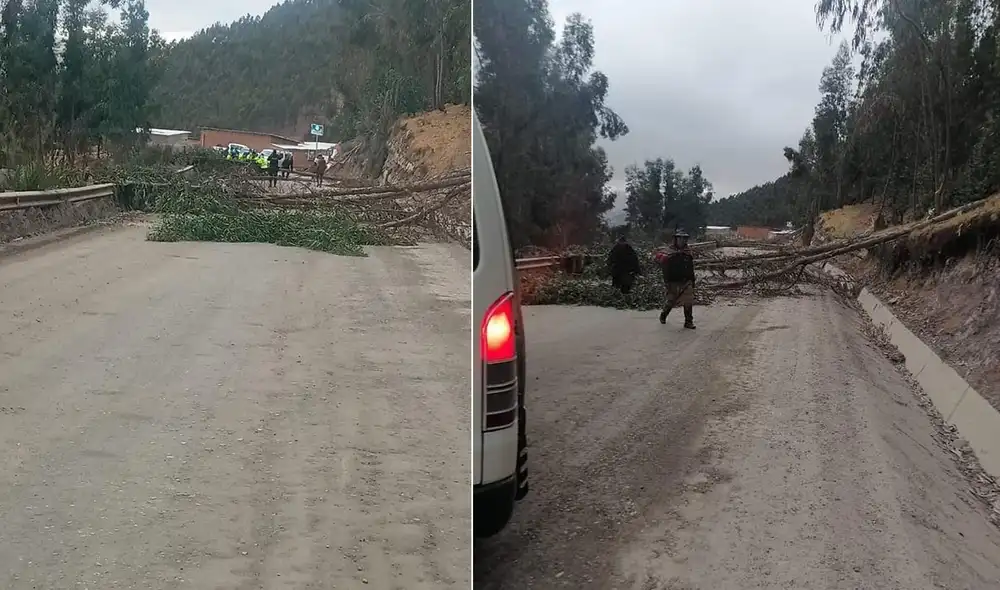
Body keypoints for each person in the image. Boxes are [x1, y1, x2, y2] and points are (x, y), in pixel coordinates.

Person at [654, 228, 696, 329]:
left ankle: (688, 322)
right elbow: (664, 268)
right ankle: (663, 315)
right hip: (673, 281)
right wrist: (667, 282)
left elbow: (691, 267)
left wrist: (692, 280)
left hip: (686, 281)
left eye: (684, 239)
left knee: (688, 301)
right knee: (671, 301)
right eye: (680, 238)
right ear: (676, 239)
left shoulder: (688, 252)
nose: (682, 241)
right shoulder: (668, 252)